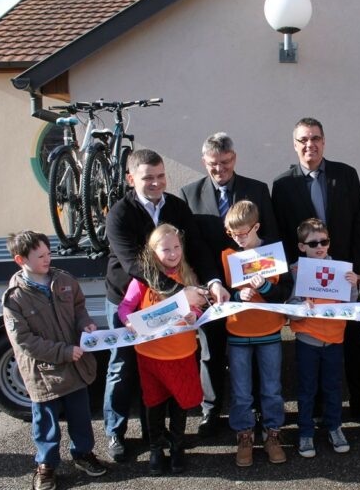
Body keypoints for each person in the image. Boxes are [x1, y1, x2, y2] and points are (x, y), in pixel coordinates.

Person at [103, 149, 229, 462]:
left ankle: (162, 438)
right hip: (128, 301)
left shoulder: (176, 206)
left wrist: (213, 282)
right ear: (131, 179)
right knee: (123, 366)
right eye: (148, 178)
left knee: (167, 367)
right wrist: (180, 293)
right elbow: (134, 265)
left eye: (161, 176)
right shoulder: (119, 213)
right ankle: (115, 433)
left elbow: (197, 247)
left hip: (173, 301)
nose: (157, 183)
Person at [272, 117, 360, 420]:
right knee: (311, 343)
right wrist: (293, 272)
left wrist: (355, 271)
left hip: (342, 275)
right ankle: (315, 408)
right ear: (294, 144)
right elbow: (281, 232)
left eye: (315, 138)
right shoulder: (282, 184)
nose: (309, 144)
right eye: (303, 139)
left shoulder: (346, 175)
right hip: (307, 279)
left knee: (352, 338)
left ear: (324, 141)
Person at [180, 132, 279, 436]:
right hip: (213, 288)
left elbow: (271, 237)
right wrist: (209, 282)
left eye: (225, 162)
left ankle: (261, 412)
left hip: (251, 287)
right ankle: (211, 411)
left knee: (251, 354)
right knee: (211, 352)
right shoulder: (189, 194)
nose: (219, 169)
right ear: (204, 162)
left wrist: (259, 281)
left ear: (234, 158)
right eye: (213, 164)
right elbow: (192, 245)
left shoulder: (257, 190)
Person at [2, 231, 107, 490]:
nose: (48, 259)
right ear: (20, 259)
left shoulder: (64, 280)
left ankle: (83, 453)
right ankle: (46, 465)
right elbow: (24, 341)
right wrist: (63, 352)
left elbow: (79, 308)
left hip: (75, 365)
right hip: (43, 373)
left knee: (80, 415)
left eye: (49, 254)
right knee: (46, 422)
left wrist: (86, 325)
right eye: (40, 256)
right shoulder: (15, 297)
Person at [118, 224, 204, 475]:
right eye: (166, 249)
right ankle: (156, 448)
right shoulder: (143, 280)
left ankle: (177, 446)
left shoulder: (188, 277)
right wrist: (127, 321)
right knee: (153, 403)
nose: (173, 253)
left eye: (177, 247)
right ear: (153, 252)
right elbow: (124, 307)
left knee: (180, 403)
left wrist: (193, 315)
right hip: (150, 356)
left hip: (182, 353)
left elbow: (199, 307)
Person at [220, 200, 292, 467]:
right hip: (237, 331)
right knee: (241, 392)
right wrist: (239, 295)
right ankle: (245, 435)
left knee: (272, 389)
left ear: (257, 226)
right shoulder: (227, 255)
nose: (238, 239)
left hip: (269, 330)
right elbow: (221, 295)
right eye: (233, 234)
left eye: (243, 233)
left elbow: (284, 291)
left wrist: (266, 289)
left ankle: (273, 434)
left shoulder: (274, 254)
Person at [287, 218, 359, 458]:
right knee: (307, 389)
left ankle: (334, 427)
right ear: (301, 246)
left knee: (333, 387)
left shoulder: (340, 269)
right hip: (308, 338)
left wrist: (352, 285)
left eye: (324, 241)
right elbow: (286, 303)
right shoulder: (296, 270)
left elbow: (350, 305)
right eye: (313, 242)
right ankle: (306, 432)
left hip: (334, 339)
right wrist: (299, 303)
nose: (320, 246)